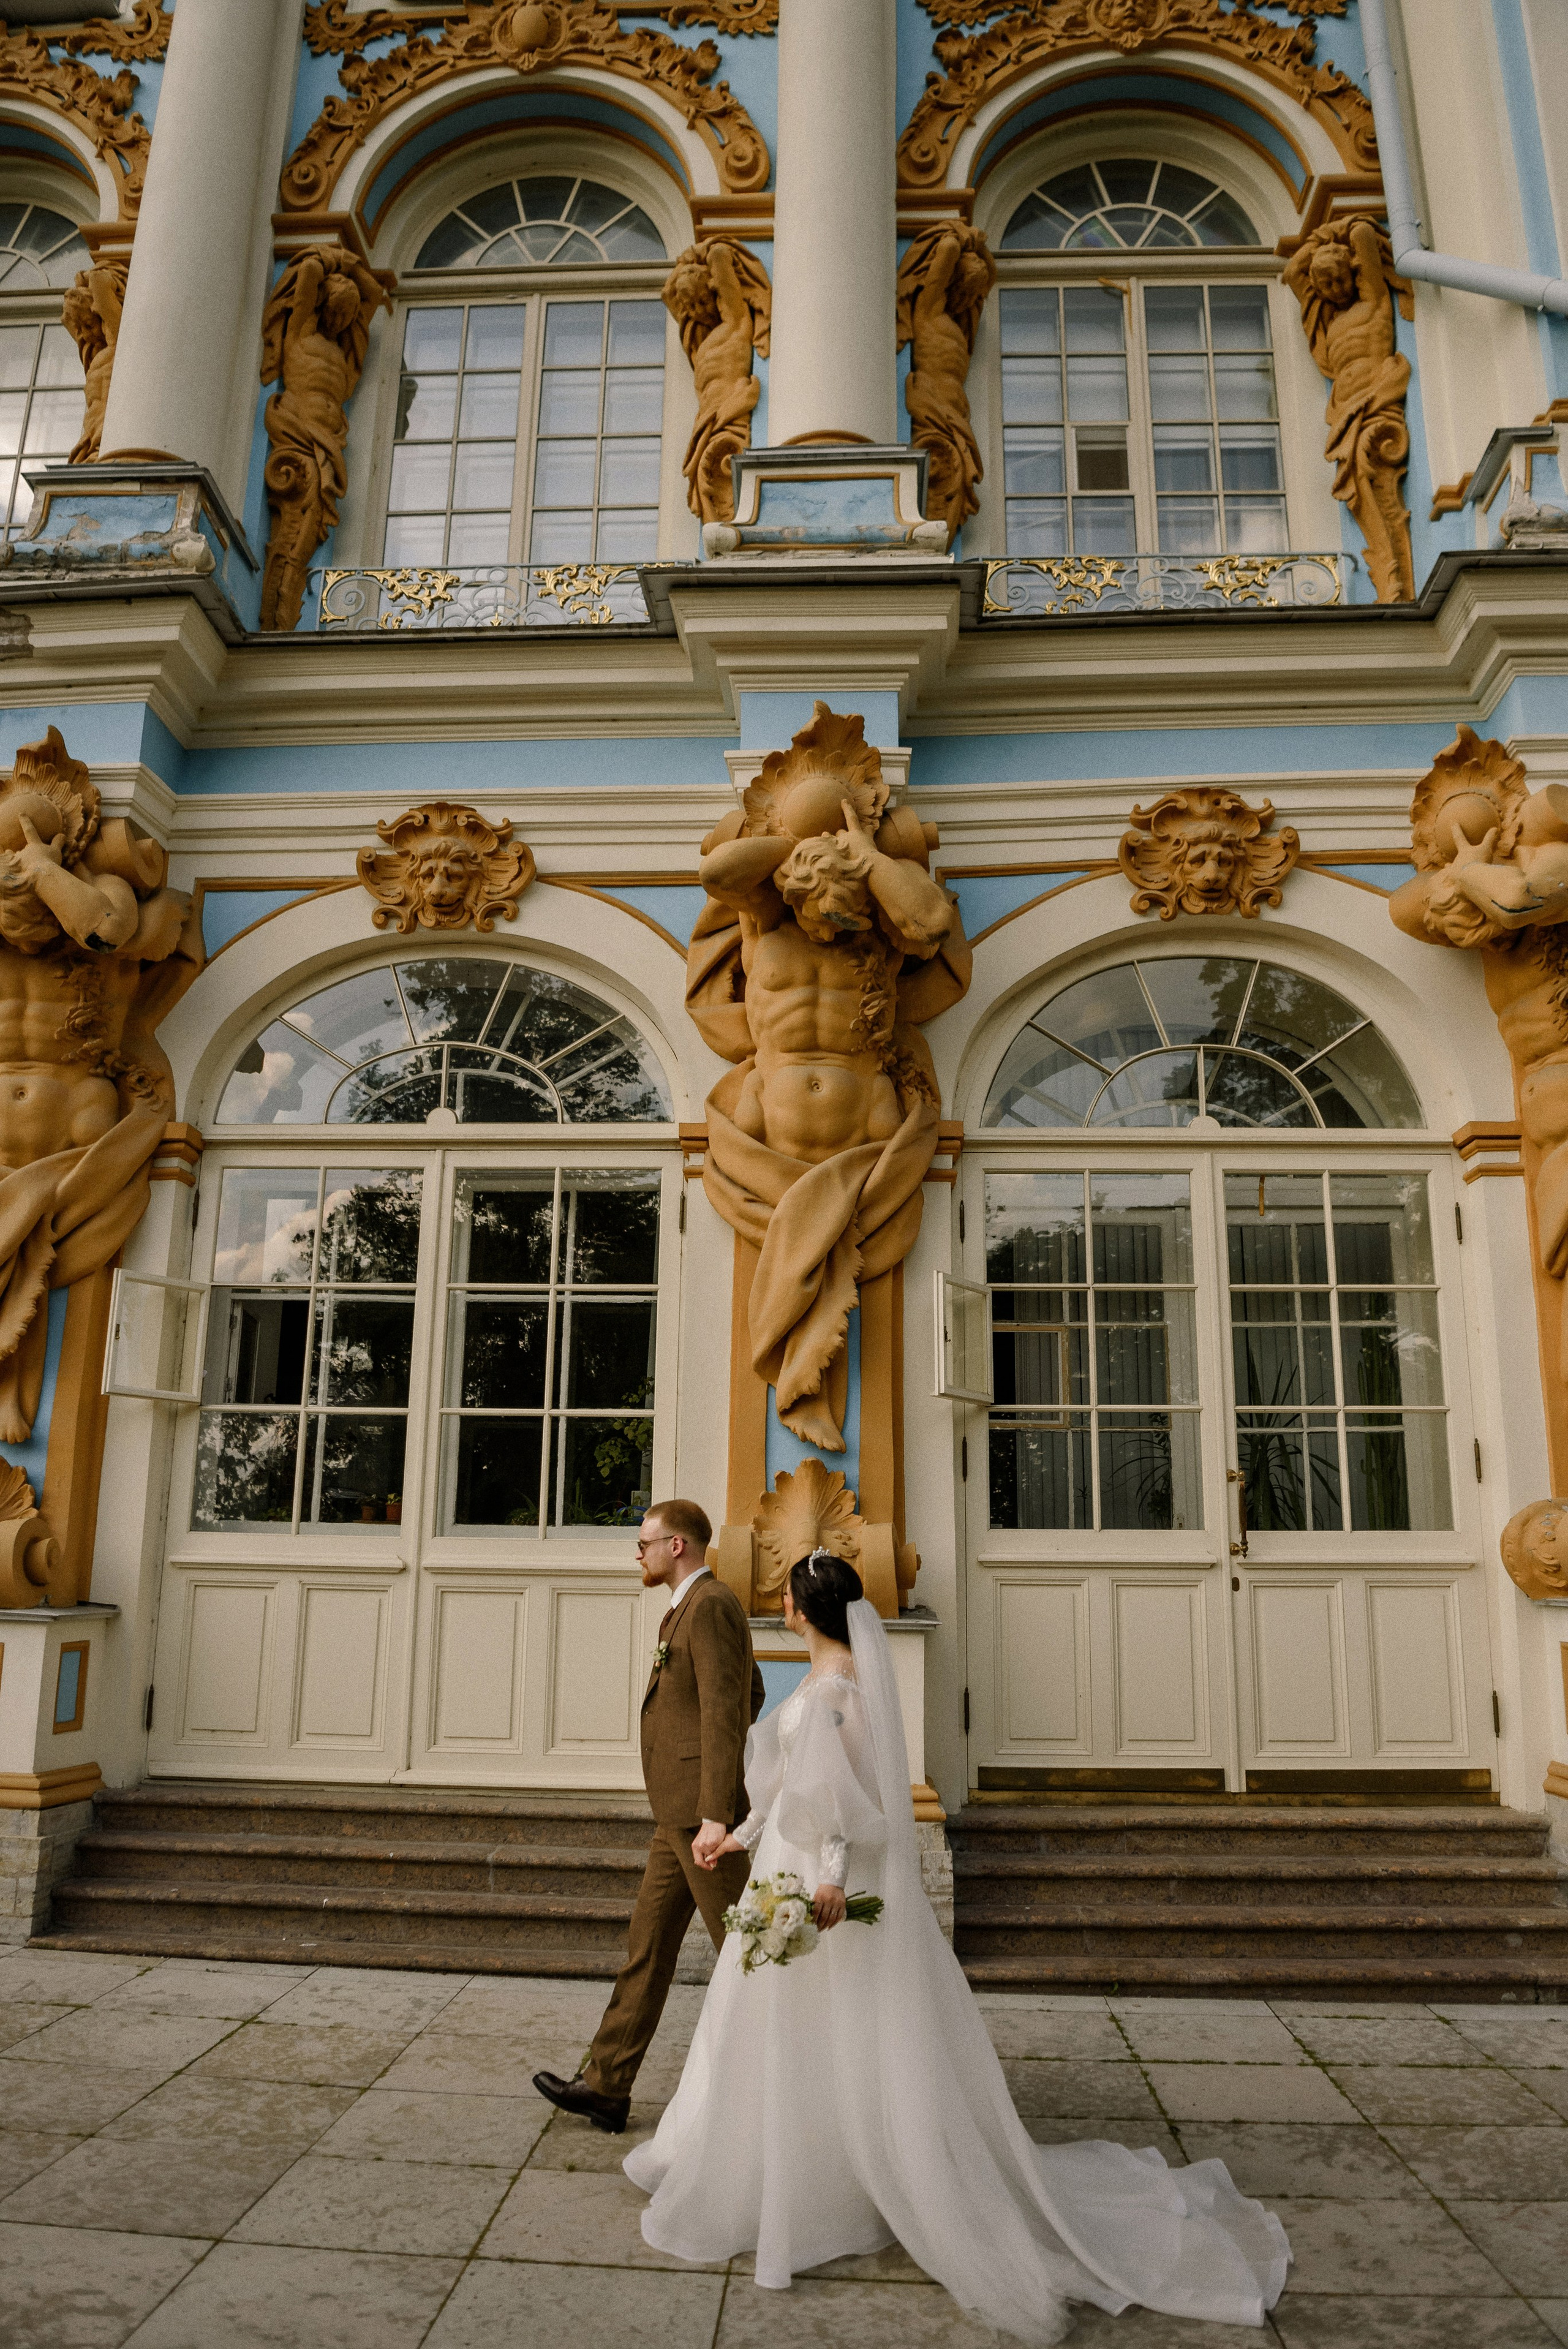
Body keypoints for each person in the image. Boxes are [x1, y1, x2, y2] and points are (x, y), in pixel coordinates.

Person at [625, 1552, 1289, 2344]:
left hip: (816, 1876)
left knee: (834, 2018)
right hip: (786, 1861)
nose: (783, 1603)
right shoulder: (830, 1681)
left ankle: (833, 2173)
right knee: (793, 2021)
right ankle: (797, 2160)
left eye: (789, 1595)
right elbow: (792, 1790)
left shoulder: (835, 1690)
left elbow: (838, 1801)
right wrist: (735, 1834)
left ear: (804, 1607)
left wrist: (829, 1880)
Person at [532, 1498, 763, 2133]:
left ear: (678, 1546)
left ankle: (803, 2076)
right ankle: (607, 2086)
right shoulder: (687, 1606)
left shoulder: (710, 1605)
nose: (639, 1553)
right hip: (678, 1817)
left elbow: (726, 1708)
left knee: (750, 1952)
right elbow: (753, 1691)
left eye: (645, 1543)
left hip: (701, 1821)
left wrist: (717, 1812)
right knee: (647, 1949)